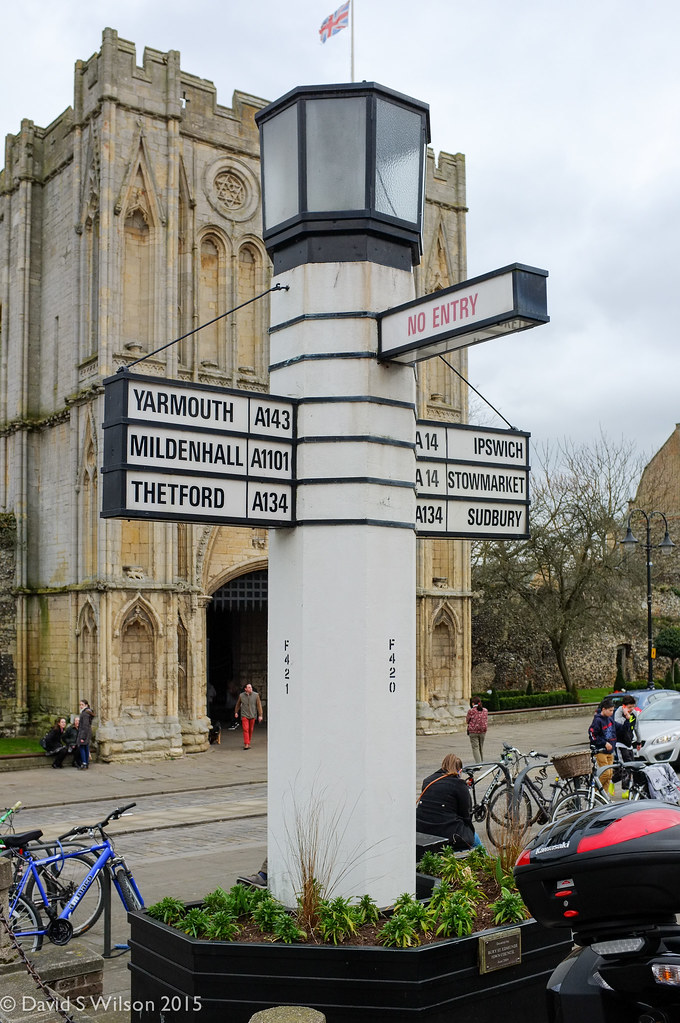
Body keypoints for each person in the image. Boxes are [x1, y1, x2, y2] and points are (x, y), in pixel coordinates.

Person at [416, 753, 482, 850]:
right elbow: (466, 814)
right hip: (447, 833)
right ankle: (485, 859)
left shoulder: (427, 781)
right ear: (459, 771)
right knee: (476, 840)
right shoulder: (459, 785)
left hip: (422, 829)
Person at [588, 697, 617, 795]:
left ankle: (604, 797)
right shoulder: (597, 720)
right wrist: (604, 743)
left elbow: (615, 731)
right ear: (603, 709)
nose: (612, 713)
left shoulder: (610, 720)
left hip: (610, 751)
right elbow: (592, 734)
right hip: (600, 751)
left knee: (609, 775)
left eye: (613, 710)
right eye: (610, 710)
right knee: (605, 773)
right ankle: (594, 792)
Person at [234, 683, 263, 750]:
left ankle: (248, 742)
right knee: (245, 729)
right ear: (245, 689)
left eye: (251, 687)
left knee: (250, 729)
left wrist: (260, 715)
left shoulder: (256, 695)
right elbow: (238, 704)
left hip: (253, 714)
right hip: (244, 714)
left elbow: (259, 705)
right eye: (249, 687)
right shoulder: (241, 696)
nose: (251, 688)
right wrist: (236, 712)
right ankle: (246, 744)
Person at [465, 698, 488, 764]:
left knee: (475, 747)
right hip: (483, 731)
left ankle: (478, 763)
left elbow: (467, 721)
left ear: (473, 703)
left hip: (473, 731)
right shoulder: (485, 710)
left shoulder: (471, 711)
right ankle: (481, 761)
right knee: (480, 747)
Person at [76, 699, 95, 769]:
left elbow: (85, 726)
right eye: (80, 705)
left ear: (86, 705)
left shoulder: (85, 714)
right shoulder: (87, 712)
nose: (81, 706)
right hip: (87, 732)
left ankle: (84, 763)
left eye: (82, 705)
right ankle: (86, 763)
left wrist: (82, 737)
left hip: (84, 733)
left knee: (82, 747)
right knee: (86, 747)